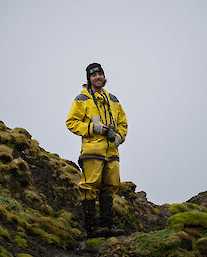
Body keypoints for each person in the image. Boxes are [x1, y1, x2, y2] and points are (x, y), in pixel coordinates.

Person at [66, 63, 128, 237]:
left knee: (111, 186)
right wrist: (94, 128)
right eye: (94, 75)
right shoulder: (82, 99)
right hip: (92, 151)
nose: (98, 77)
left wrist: (118, 138)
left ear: (104, 76)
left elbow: (123, 123)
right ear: (89, 79)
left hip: (112, 153)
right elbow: (71, 122)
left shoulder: (113, 99)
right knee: (89, 186)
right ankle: (91, 228)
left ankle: (107, 226)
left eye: (100, 74)